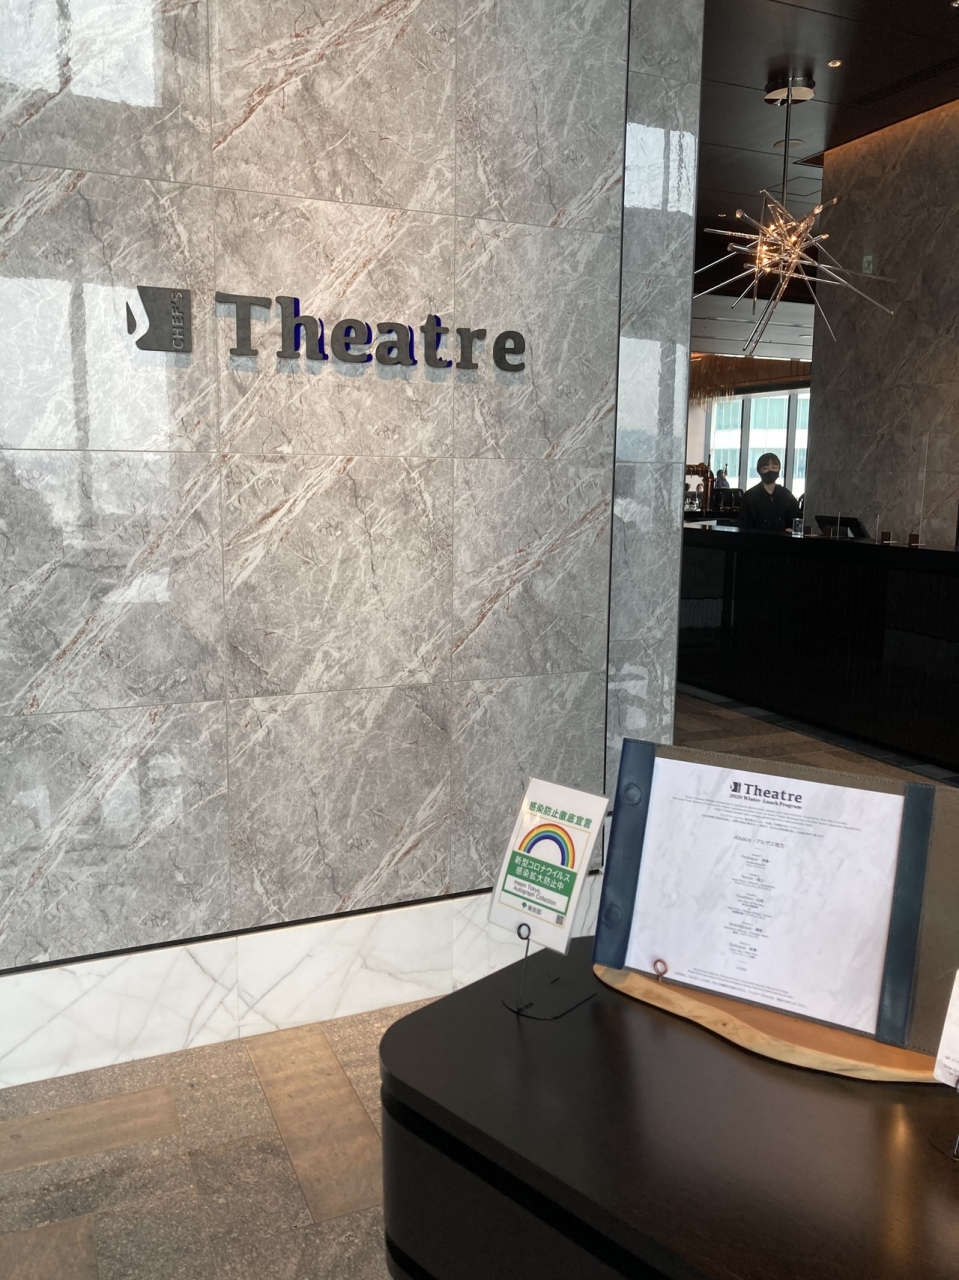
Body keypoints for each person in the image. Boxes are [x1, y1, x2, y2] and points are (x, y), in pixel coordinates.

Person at [738, 453, 800, 532]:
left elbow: (796, 519)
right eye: (765, 468)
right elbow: (743, 524)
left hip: (783, 538)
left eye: (774, 467)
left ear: (779, 469)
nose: (770, 471)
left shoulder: (787, 495)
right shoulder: (750, 496)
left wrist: (792, 530)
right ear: (759, 471)